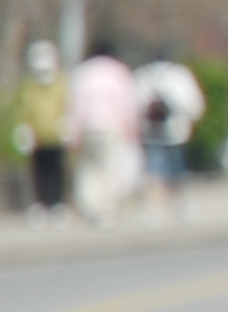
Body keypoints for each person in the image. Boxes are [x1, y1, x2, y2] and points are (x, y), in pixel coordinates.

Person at [68, 47, 142, 223]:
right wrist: (132, 128)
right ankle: (107, 210)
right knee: (110, 168)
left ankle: (91, 207)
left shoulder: (83, 72)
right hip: (112, 126)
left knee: (88, 169)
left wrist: (74, 133)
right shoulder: (119, 71)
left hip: (89, 127)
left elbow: (76, 105)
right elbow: (128, 103)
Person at [136, 58, 204, 214]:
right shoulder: (180, 75)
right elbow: (192, 104)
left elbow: (135, 102)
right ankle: (180, 204)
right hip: (176, 130)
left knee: (152, 170)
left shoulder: (142, 75)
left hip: (150, 131)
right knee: (177, 169)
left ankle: (152, 207)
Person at [15, 41, 72, 220]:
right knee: (39, 173)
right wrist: (24, 130)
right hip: (38, 138)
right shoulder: (30, 87)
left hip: (56, 137)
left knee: (57, 172)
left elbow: (67, 105)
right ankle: (40, 204)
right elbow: (24, 109)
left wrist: (67, 125)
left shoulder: (61, 84)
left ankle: (57, 204)